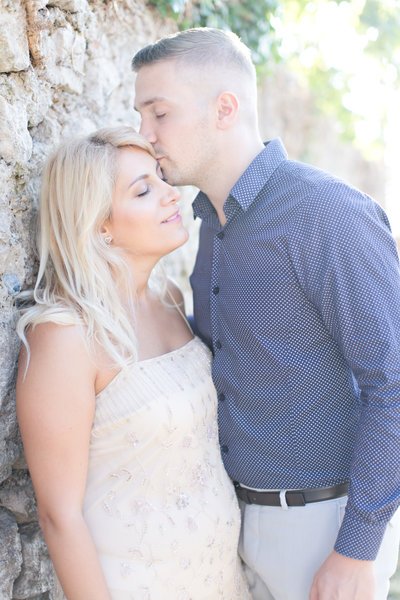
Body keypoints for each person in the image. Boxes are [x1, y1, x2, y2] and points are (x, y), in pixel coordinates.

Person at [132, 28, 400, 600]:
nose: (145, 135)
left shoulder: (325, 213)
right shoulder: (208, 224)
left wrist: (356, 548)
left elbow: (394, 382)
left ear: (225, 108)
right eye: (141, 116)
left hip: (323, 527)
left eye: (159, 113)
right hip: (235, 523)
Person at [15, 126, 251, 600]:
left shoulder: (168, 297)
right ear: (100, 224)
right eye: (144, 190)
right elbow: (58, 516)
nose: (171, 195)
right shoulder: (63, 336)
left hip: (222, 580)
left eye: (162, 180)